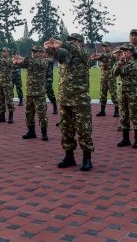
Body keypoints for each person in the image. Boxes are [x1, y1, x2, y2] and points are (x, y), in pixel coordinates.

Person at [44, 33, 94, 171]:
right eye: (69, 41)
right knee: (66, 130)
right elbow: (57, 54)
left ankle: (87, 158)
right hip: (65, 99)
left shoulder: (84, 55)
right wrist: (49, 48)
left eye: (74, 41)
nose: (71, 43)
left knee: (84, 130)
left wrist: (66, 44)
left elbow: (77, 51)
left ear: (81, 43)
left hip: (80, 100)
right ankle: (69, 156)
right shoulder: (65, 56)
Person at [107, 44, 137, 149]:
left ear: (131, 52)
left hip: (133, 92)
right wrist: (119, 64)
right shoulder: (119, 62)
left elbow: (130, 71)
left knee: (135, 115)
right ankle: (125, 138)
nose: (123, 53)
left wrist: (122, 64)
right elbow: (114, 74)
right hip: (122, 91)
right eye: (122, 51)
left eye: (126, 51)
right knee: (124, 115)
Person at [13, 46, 49, 141]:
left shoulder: (43, 61)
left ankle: (44, 132)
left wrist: (23, 59)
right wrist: (17, 61)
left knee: (41, 114)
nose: (33, 53)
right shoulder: (30, 62)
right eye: (32, 51)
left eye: (35, 51)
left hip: (39, 93)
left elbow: (33, 62)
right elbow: (22, 64)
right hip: (29, 92)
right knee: (29, 113)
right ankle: (31, 131)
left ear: (41, 53)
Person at [93, 42, 119, 117]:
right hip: (103, 78)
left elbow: (112, 56)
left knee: (113, 94)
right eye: (103, 47)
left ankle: (116, 110)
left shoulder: (113, 54)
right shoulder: (102, 56)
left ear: (110, 46)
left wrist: (101, 55)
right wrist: (95, 57)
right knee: (102, 94)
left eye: (106, 46)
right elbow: (98, 58)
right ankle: (102, 110)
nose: (104, 48)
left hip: (111, 78)